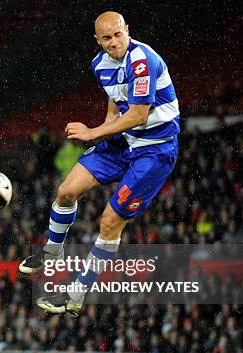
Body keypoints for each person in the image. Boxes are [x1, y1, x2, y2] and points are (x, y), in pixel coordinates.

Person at [20, 11, 179, 315]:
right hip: (124, 141)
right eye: (107, 38)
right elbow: (115, 98)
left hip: (155, 150)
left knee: (108, 222)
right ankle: (53, 251)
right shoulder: (100, 64)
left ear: (127, 30)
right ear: (98, 40)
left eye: (119, 35)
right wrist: (106, 128)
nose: (115, 42)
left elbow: (138, 115)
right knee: (66, 191)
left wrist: (93, 132)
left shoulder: (142, 60)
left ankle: (75, 296)